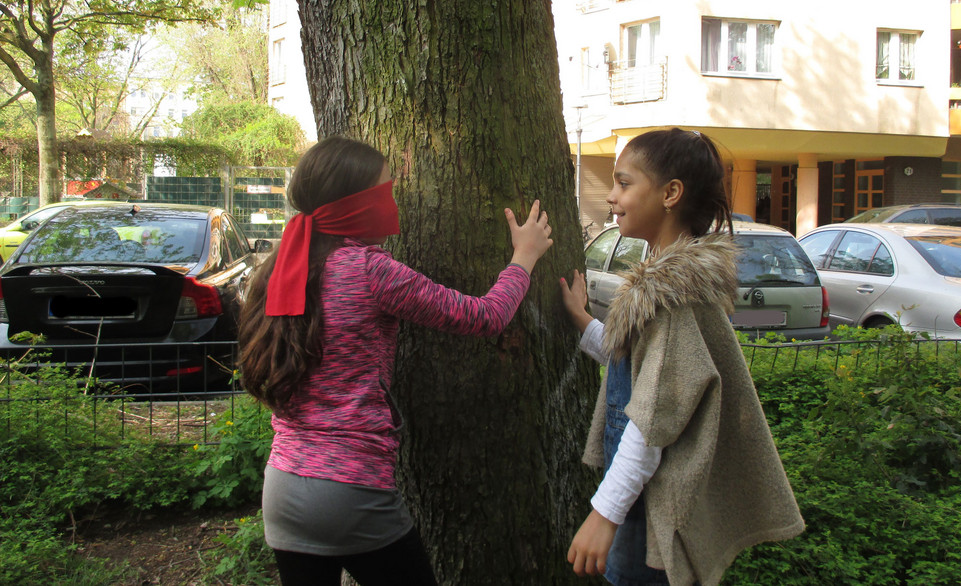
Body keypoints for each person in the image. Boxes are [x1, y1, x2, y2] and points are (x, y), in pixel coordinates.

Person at [237, 136, 554, 586]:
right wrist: (524, 257)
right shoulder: (370, 269)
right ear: (356, 205)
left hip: (283, 487)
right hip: (351, 489)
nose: (393, 202)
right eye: (385, 192)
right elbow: (485, 317)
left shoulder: (280, 269)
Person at [560, 128, 804, 586]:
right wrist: (584, 323)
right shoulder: (668, 283)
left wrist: (604, 514)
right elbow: (639, 368)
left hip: (646, 504)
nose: (611, 197)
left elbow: (652, 422)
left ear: (671, 193)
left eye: (624, 183)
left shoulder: (674, 298)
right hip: (639, 494)